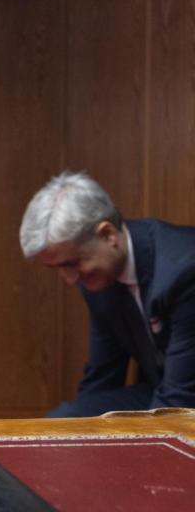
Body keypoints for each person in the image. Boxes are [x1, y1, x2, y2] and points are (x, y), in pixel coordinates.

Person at [20, 171, 195, 416]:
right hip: (164, 391)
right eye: (57, 268)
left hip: (184, 397)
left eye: (71, 263)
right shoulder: (99, 276)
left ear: (107, 234)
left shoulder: (185, 270)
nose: (70, 279)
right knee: (68, 420)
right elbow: (102, 377)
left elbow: (179, 400)